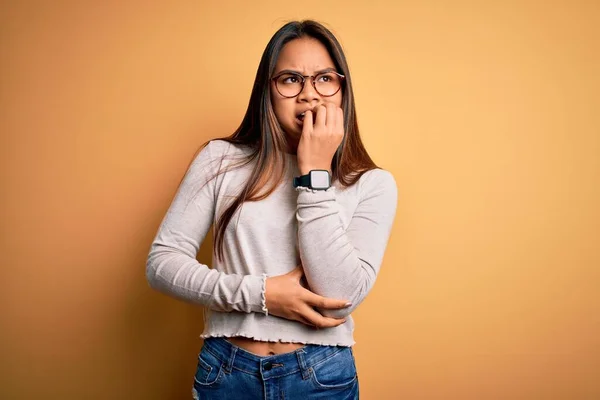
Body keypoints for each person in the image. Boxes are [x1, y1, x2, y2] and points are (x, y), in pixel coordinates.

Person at [146, 19, 398, 399]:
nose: (309, 95)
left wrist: (314, 173)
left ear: (343, 90)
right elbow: (162, 263)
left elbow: (340, 294)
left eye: (325, 79)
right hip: (227, 372)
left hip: (321, 378)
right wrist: (263, 294)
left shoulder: (372, 184)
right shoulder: (221, 160)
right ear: (268, 90)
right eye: (291, 79)